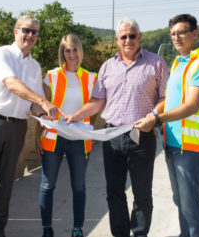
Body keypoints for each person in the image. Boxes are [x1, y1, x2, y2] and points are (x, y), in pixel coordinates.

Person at [65, 17, 168, 237]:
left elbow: (165, 98)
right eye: (124, 36)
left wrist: (153, 117)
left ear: (139, 36)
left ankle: (139, 233)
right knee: (114, 192)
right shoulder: (107, 66)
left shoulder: (156, 63)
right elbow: (97, 101)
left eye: (132, 35)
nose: (128, 40)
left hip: (141, 135)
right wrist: (76, 115)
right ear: (117, 40)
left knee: (141, 193)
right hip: (112, 136)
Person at [0, 15, 57, 237]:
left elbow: (33, 106)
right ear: (16, 32)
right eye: (26, 30)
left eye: (35, 32)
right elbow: (12, 84)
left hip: (17, 127)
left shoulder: (35, 66)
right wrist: (43, 100)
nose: (31, 36)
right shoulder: (1, 54)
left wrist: (46, 113)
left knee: (5, 185)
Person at [135, 14, 199, 237]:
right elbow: (170, 100)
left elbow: (191, 106)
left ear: (194, 33)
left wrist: (157, 120)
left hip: (189, 146)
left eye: (181, 32)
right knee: (180, 200)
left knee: (190, 205)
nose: (176, 37)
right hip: (172, 143)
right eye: (173, 34)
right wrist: (152, 114)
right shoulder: (178, 63)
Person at [36, 34, 97, 237]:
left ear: (80, 50)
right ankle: (47, 229)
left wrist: (86, 130)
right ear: (62, 52)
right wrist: (38, 136)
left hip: (79, 138)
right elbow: (42, 107)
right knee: (47, 184)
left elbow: (94, 110)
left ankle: (77, 229)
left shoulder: (91, 77)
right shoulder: (51, 76)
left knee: (78, 185)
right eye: (67, 50)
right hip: (53, 138)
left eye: (74, 49)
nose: (71, 54)